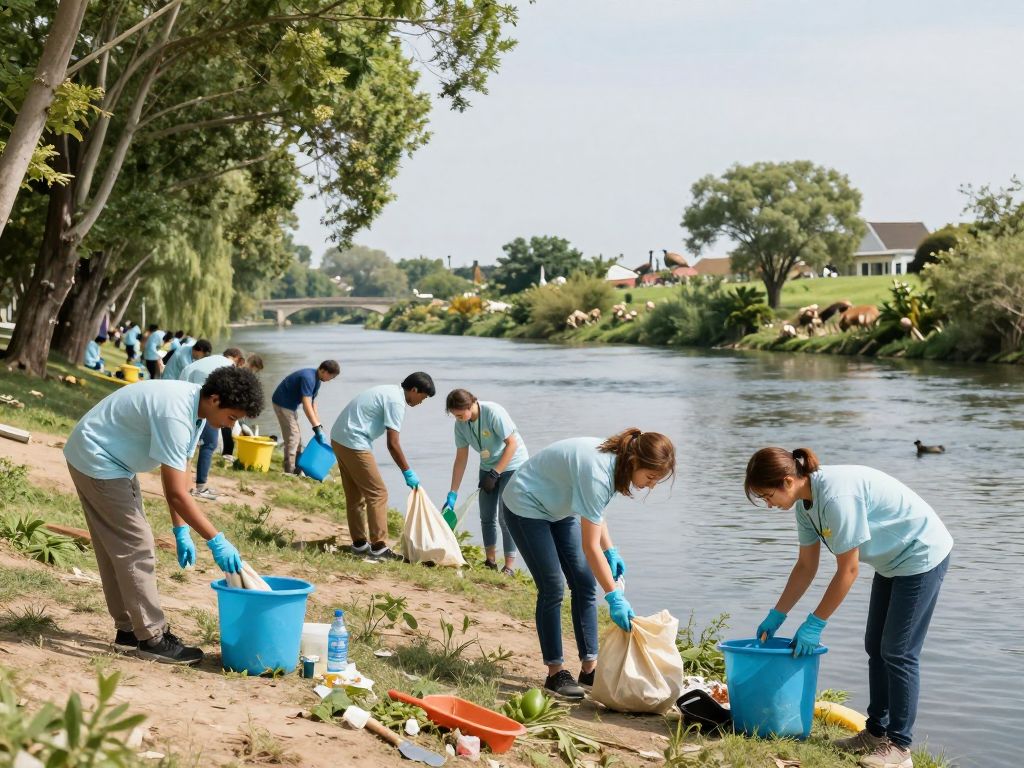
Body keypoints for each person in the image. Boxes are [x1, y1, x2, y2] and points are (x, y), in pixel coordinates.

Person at [746, 447, 953, 768]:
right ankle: (875, 732)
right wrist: (778, 614)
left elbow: (849, 570)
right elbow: (805, 566)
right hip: (891, 562)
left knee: (898, 652)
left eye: (766, 495)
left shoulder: (836, 497)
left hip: (920, 553)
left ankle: (900, 748)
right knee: (875, 646)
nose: (767, 504)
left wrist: (815, 623)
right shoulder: (805, 505)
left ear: (787, 481)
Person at [63, 366, 261, 665]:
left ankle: (129, 631)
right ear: (215, 399)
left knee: (118, 546)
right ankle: (151, 638)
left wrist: (180, 530)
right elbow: (177, 494)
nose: (230, 426)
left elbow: (178, 482)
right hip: (98, 459)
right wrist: (216, 539)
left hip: (106, 458)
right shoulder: (177, 415)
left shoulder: (195, 410)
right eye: (232, 417)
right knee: (136, 546)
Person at [501, 429, 676, 699]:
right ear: (634, 463)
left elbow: (596, 512)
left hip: (560, 507)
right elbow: (589, 546)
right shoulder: (599, 471)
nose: (650, 485)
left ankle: (589, 670)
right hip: (526, 503)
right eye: (650, 477)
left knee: (583, 582)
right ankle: (555, 673)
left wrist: (612, 550)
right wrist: (614, 596)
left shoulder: (616, 465)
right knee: (552, 586)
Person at [330, 372, 435, 561]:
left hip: (339, 438)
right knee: (378, 493)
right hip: (354, 440)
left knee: (355, 495)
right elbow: (393, 443)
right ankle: (379, 548)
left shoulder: (389, 391)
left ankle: (360, 545)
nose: (421, 402)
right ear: (414, 390)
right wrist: (407, 471)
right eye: (423, 397)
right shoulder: (397, 402)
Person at [442, 388, 527, 575]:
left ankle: (509, 567)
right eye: (454, 416)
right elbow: (461, 458)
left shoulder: (493, 412)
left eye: (459, 414)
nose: (458, 418)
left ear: (470, 405)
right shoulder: (461, 425)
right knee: (486, 515)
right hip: (488, 467)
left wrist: (496, 473)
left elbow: (512, 444)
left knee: (506, 518)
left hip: (512, 465)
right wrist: (453, 492)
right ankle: (490, 561)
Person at [182, 348, 247, 501]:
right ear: (238, 360)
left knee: (189, 447)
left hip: (190, 398)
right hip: (205, 403)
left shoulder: (214, 359)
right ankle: (199, 487)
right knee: (209, 444)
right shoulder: (229, 367)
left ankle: (187, 486)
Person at [271, 360, 341, 474]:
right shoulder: (308, 378)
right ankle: (289, 470)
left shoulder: (317, 380)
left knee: (295, 436)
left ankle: (297, 467)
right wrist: (315, 427)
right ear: (323, 371)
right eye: (331, 377)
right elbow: (306, 404)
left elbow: (313, 403)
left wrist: (319, 425)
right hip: (282, 404)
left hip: (290, 406)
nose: (330, 380)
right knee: (293, 436)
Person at [221, 354, 264, 461]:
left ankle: (226, 456)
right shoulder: (240, 373)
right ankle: (226, 457)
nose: (255, 373)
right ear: (253, 366)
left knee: (229, 435)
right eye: (256, 370)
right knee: (227, 435)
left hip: (232, 408)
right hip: (229, 408)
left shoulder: (239, 371)